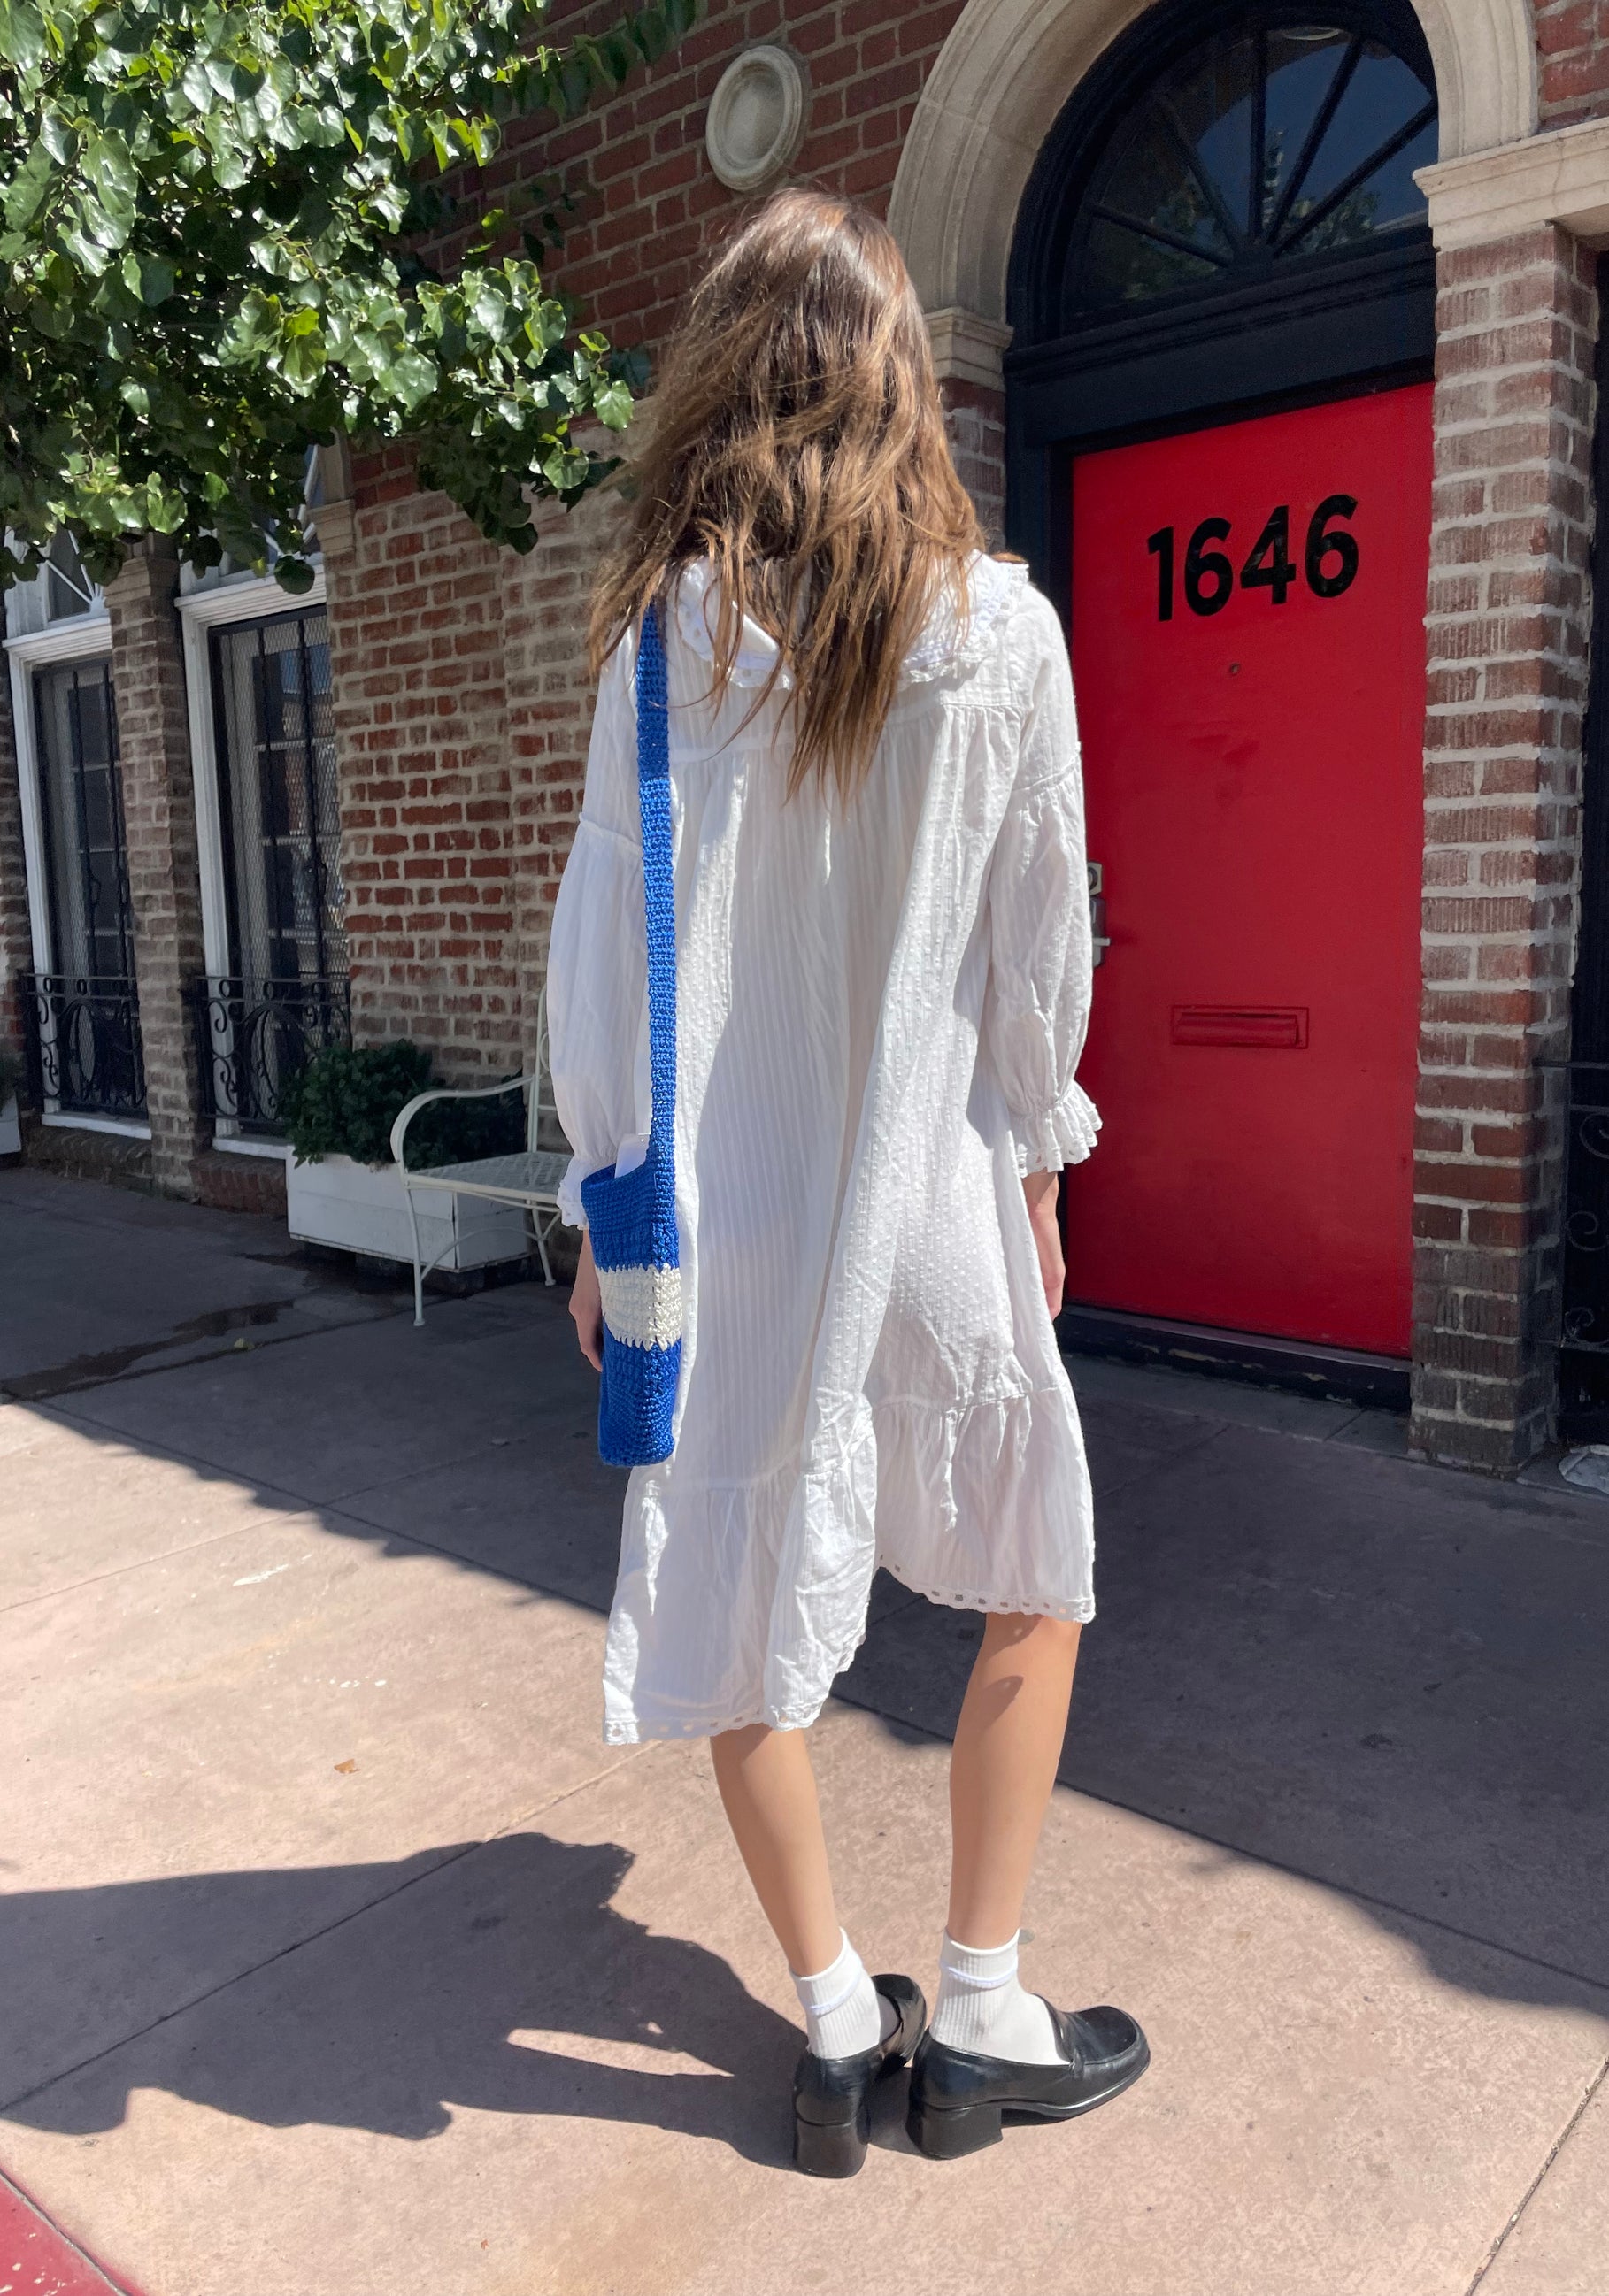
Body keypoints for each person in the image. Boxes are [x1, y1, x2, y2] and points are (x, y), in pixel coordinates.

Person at [547, 188, 1146, 2177]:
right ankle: (974, 2009)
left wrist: (598, 1197)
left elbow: (602, 961)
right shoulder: (1007, 633)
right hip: (940, 1204)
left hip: (734, 1228)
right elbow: (1040, 944)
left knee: (742, 1601)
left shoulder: (662, 651)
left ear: (717, 378)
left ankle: (828, 2023)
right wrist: (1047, 1164)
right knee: (1030, 1580)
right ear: (901, 381)